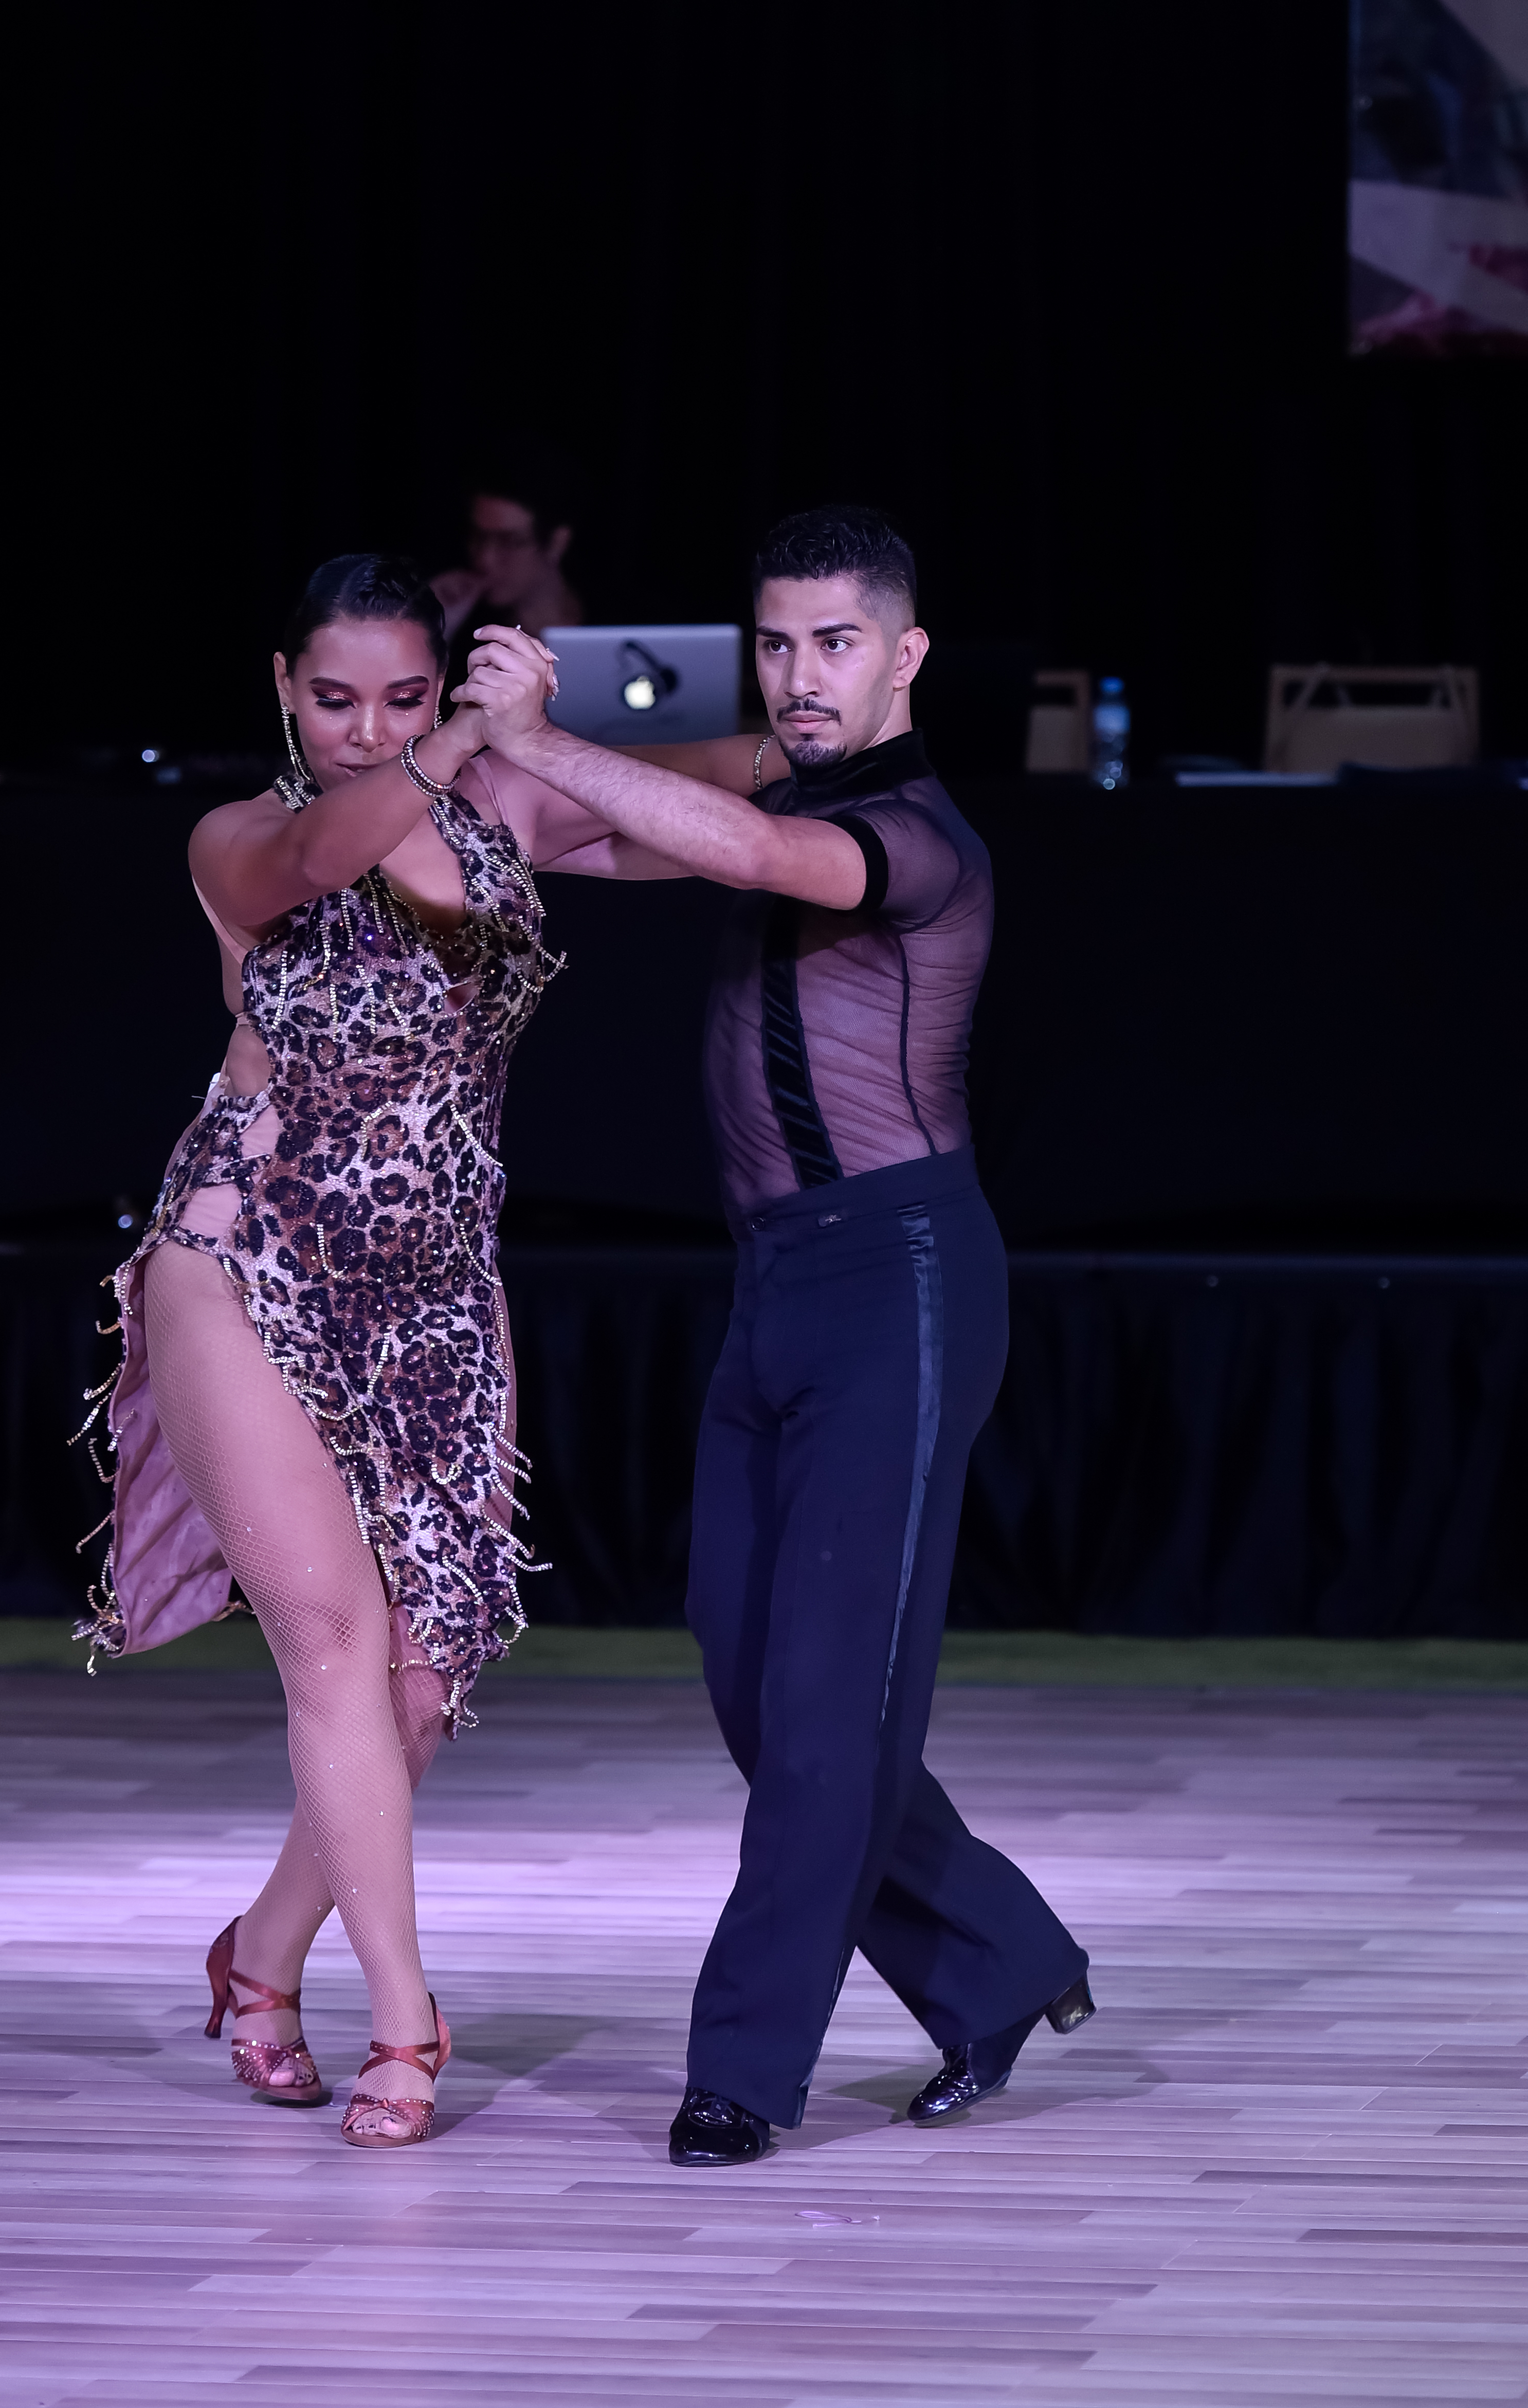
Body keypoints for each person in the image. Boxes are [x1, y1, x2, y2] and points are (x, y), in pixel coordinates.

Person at [454, 504, 1095, 2166]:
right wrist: (466, 760)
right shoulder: (770, 781)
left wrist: (542, 740)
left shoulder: (919, 837)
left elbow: (744, 854)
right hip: (774, 1284)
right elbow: (598, 832)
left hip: (901, 1280)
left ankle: (743, 2070)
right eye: (777, 643)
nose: (802, 675)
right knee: (756, 1679)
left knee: (825, 1709)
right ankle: (1001, 1960)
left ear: (904, 654)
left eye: (835, 643)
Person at [78, 554, 642, 2149]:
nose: (369, 728)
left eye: (406, 696)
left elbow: (713, 805)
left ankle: (261, 1954)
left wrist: (559, 724)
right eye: (336, 698)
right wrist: (459, 740)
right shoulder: (238, 838)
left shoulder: (502, 809)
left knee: (425, 1677)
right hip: (245, 1244)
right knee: (330, 1639)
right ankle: (408, 2020)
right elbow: (329, 851)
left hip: (436, 1280)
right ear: (282, 686)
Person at [431, 454, 585, 655]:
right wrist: (436, 627)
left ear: (557, 543)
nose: (485, 559)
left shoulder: (612, 621)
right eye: (479, 537)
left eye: (509, 541)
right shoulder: (470, 635)